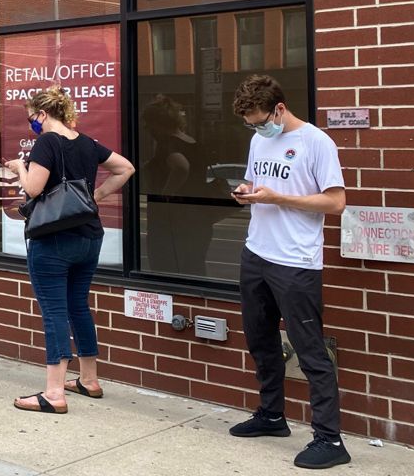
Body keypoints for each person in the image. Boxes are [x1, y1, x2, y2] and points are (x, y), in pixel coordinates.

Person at [228, 75, 349, 470]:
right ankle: (272, 415)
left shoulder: (316, 142)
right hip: (256, 251)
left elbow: (335, 203)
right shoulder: (258, 139)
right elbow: (255, 180)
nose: (257, 128)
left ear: (279, 108)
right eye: (251, 123)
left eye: (261, 120)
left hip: (296, 261)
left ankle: (330, 439)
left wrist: (279, 197)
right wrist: (245, 191)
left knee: (310, 350)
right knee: (260, 340)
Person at [5, 87, 134, 414]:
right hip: (89, 237)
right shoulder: (87, 143)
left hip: (53, 239)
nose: (32, 124)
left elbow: (33, 188)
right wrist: (97, 197)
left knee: (54, 312)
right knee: (78, 306)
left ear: (43, 115)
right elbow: (126, 168)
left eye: (32, 118)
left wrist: (19, 167)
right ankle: (89, 379)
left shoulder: (47, 142)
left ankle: (53, 392)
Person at [141, 94, 216, 276]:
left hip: (173, 219)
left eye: (148, 124)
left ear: (157, 123)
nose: (147, 129)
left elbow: (181, 167)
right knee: (194, 268)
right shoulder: (193, 142)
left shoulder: (168, 144)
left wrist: (166, 195)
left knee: (167, 270)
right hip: (198, 218)